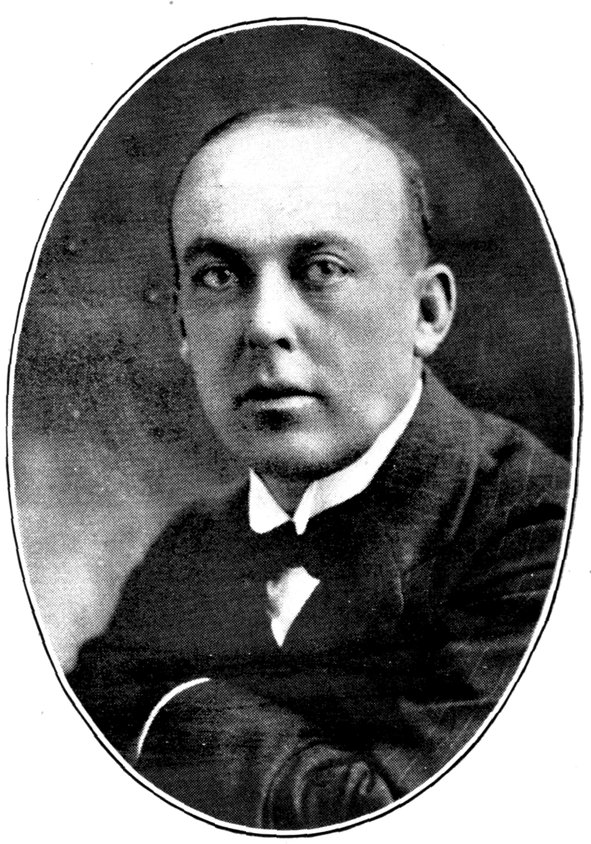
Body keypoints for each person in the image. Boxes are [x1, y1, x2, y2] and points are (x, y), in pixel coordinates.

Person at [68, 104, 570, 830]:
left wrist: (168, 709)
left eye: (321, 270)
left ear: (426, 312)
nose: (264, 325)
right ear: (181, 327)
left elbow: (400, 820)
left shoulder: (541, 530)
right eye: (218, 276)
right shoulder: (188, 549)